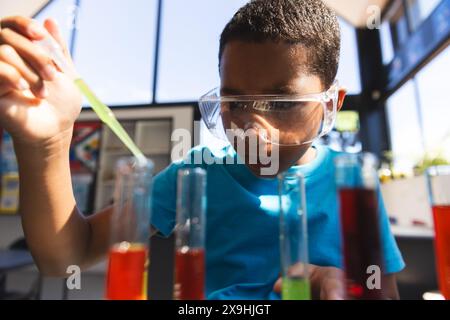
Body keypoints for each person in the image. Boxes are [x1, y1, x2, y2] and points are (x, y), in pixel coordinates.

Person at [0, 0, 404, 299]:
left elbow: (383, 292)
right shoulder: (197, 174)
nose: (253, 126)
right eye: (234, 103)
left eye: (281, 103)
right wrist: (47, 143)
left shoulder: (353, 187)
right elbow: (66, 256)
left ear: (332, 103)